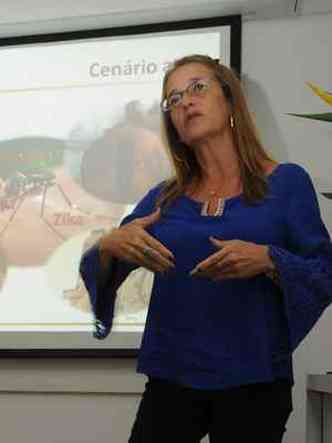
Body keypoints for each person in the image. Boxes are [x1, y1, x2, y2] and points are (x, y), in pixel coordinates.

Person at [80, 54, 332, 443]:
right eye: (173, 99)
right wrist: (110, 245)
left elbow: (324, 271)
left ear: (230, 100)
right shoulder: (164, 197)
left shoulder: (286, 183)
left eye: (197, 88)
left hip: (255, 382)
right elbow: (101, 263)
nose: (184, 102)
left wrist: (269, 259)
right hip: (171, 381)